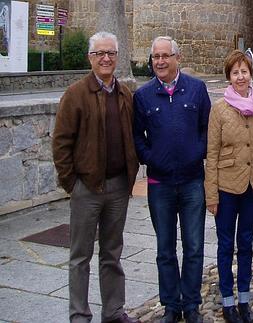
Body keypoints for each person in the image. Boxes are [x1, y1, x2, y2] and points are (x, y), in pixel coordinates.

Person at [52, 31, 140, 323]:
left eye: (111, 53)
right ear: (90, 58)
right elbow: (61, 142)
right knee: (80, 257)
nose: (106, 58)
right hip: (87, 188)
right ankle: (79, 315)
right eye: (100, 53)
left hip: (117, 187)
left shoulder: (125, 93)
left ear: (117, 57)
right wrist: (72, 184)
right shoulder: (76, 94)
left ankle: (113, 311)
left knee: (112, 254)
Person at [133, 36, 211, 323]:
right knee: (165, 248)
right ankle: (171, 306)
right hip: (160, 184)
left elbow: (207, 130)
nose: (160, 62)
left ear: (178, 58)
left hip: (192, 181)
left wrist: (196, 153)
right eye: (155, 57)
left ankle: (191, 305)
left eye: (165, 56)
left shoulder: (197, 90)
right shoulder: (142, 96)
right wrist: (151, 158)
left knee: (193, 247)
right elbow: (136, 137)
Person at [204, 50, 253, 323]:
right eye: (235, 72)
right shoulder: (219, 109)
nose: (240, 76)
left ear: (250, 74)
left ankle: (244, 297)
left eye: (244, 71)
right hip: (227, 188)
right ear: (229, 77)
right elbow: (212, 153)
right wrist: (211, 194)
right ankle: (227, 300)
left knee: (245, 243)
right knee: (225, 244)